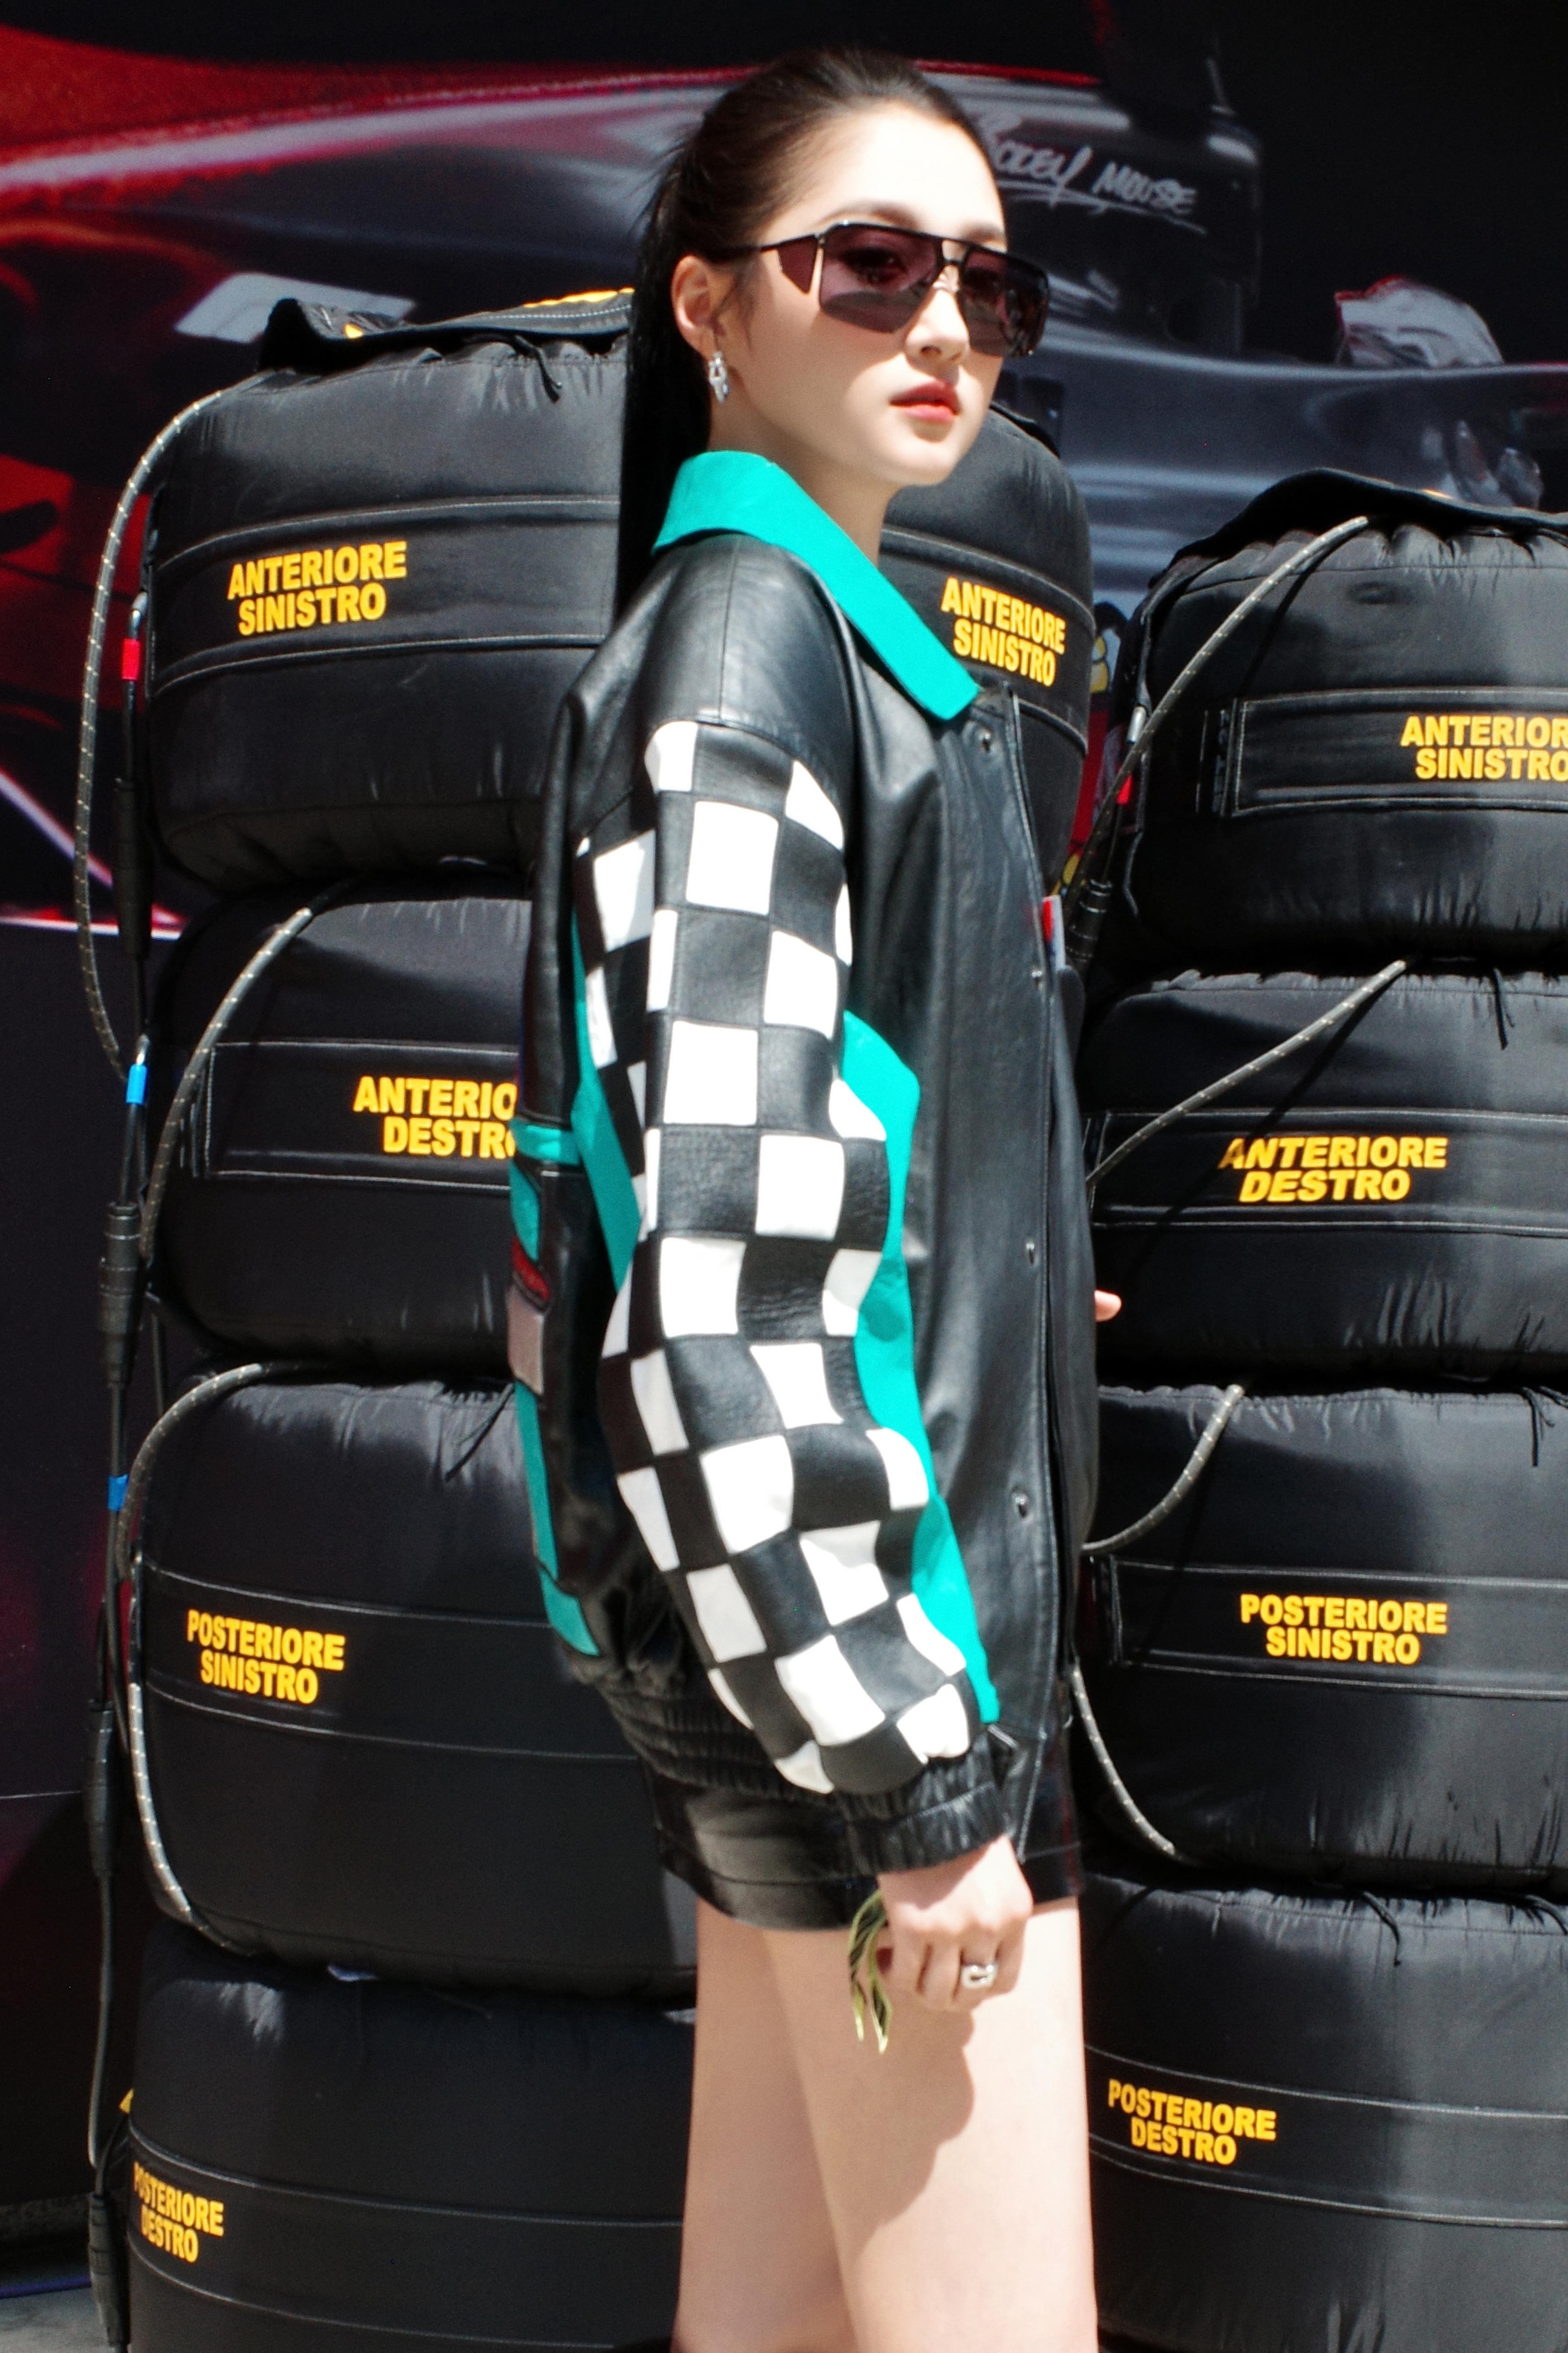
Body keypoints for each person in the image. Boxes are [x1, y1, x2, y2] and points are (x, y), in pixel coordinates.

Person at [511, 47, 1111, 2353]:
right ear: (710, 307)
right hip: (883, 1690)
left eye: (985, 279)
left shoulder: (808, 649)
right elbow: (720, 1285)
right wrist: (921, 1768)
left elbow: (825, 1179)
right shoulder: (758, 659)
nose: (942, 321)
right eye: (867, 265)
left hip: (810, 1677)